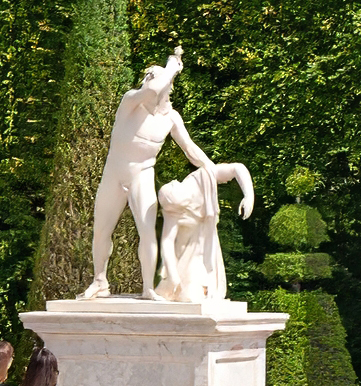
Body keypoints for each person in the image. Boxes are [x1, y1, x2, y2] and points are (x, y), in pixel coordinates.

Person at [77, 46, 218, 300]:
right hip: (115, 173)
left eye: (152, 78)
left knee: (147, 232)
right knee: (101, 230)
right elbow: (150, 91)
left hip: (142, 173)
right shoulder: (131, 101)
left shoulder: (171, 118)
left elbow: (191, 150)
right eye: (149, 78)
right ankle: (100, 280)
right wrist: (172, 64)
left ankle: (147, 289)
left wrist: (211, 169)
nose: (150, 83)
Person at [155, 162, 254, 303]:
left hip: (202, 247)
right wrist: (172, 275)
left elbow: (237, 168)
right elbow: (167, 241)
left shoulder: (201, 179)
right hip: (184, 254)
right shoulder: (172, 207)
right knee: (189, 295)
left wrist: (249, 195)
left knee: (194, 291)